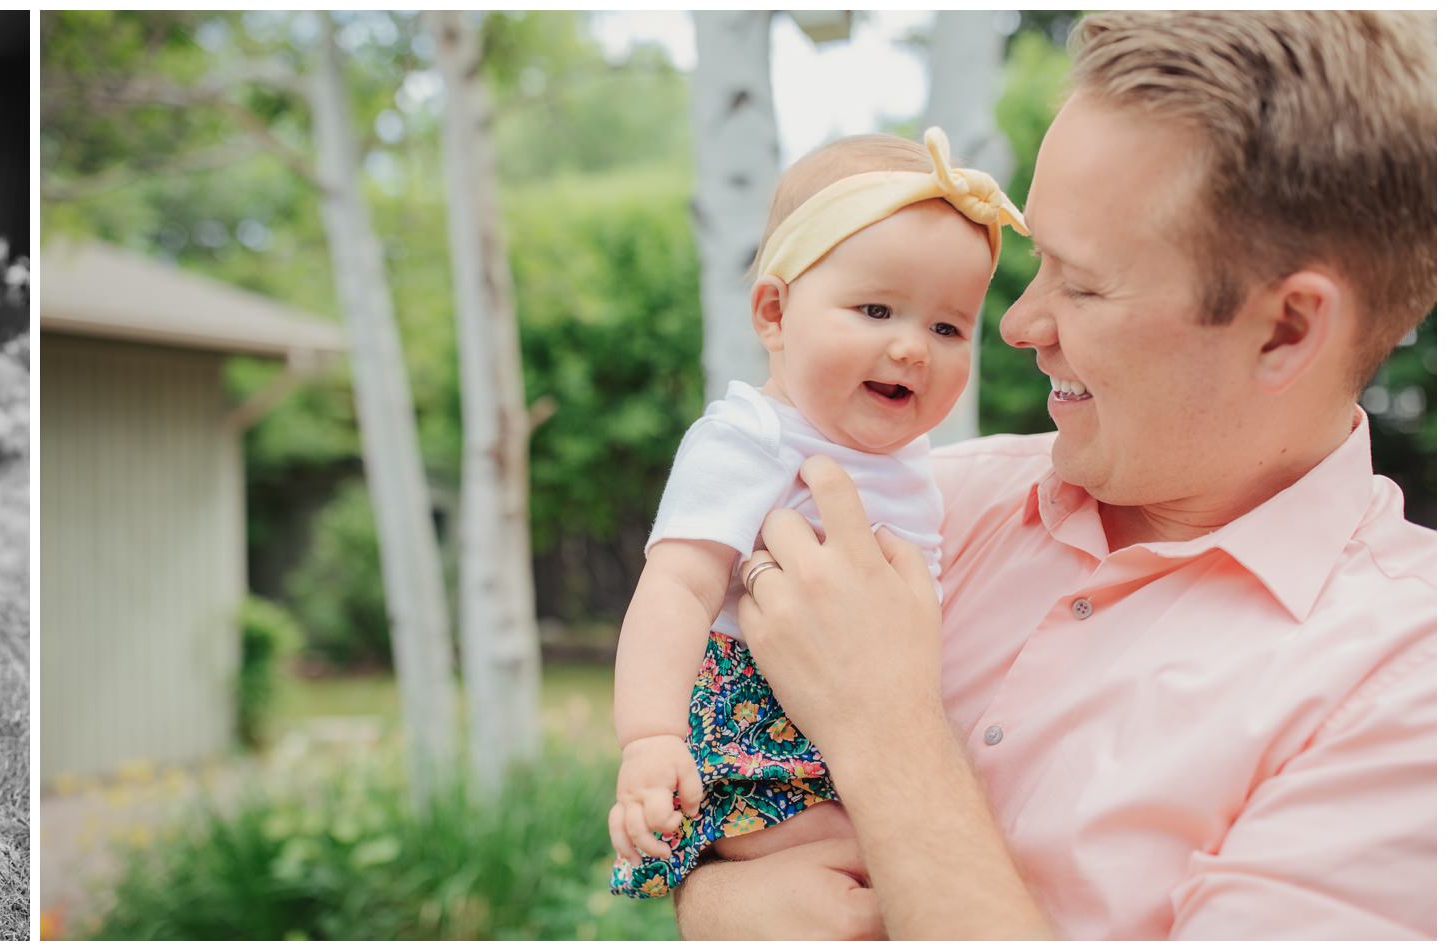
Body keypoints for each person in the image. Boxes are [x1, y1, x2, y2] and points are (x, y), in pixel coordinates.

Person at [674, 10, 1436, 939]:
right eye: (1035, 265)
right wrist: (712, 898)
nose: (1017, 324)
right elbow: (701, 744)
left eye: (1080, 284)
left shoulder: (1406, 692)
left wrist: (886, 729)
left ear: (1285, 328)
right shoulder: (926, 502)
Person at [607, 129, 1027, 899]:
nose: (912, 349)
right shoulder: (751, 437)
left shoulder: (921, 462)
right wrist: (650, 736)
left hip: (871, 732)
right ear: (773, 313)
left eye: (947, 327)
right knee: (862, 867)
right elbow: (675, 588)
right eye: (876, 309)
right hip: (759, 724)